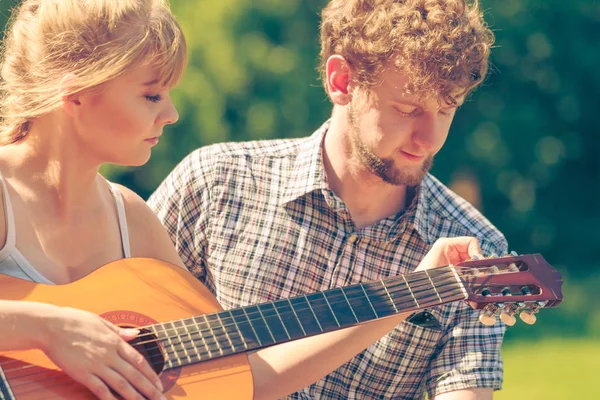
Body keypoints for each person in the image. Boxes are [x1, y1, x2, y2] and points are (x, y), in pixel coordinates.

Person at [0, 1, 488, 400]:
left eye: (448, 111)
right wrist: (49, 328)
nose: (171, 114)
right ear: (77, 94)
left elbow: (243, 377)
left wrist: (414, 292)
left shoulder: (133, 220)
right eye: (152, 96)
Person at [148, 0, 508, 399]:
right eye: (407, 109)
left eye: (447, 109)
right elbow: (112, 326)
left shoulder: (473, 249)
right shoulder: (216, 183)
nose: (429, 139)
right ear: (341, 81)